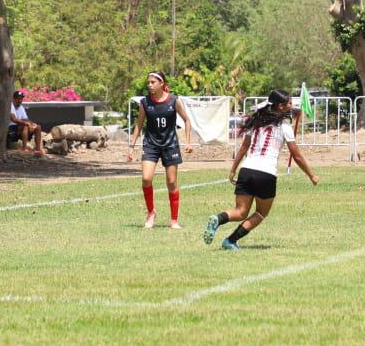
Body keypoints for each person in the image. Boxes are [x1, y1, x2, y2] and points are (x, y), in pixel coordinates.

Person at [203, 89, 320, 250]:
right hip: (266, 173)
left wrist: (233, 169)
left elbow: (244, 147)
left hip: (247, 170)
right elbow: (297, 156)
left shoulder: (255, 122)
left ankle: (218, 218)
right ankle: (230, 241)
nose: (292, 106)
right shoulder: (284, 127)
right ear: (280, 107)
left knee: (240, 211)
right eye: (290, 103)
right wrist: (311, 175)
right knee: (260, 213)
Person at [127, 71, 194, 229]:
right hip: (151, 144)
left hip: (170, 144)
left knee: (171, 182)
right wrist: (131, 147)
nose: (149, 85)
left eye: (153, 82)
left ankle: (174, 220)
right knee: (146, 178)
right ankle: (151, 212)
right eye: (148, 82)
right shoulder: (145, 102)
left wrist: (188, 142)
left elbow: (187, 120)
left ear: (162, 84)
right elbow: (139, 124)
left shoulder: (173, 101)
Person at [8, 90, 45, 156]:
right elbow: (14, 119)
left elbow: (26, 119)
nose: (20, 100)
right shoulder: (10, 106)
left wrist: (32, 123)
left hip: (20, 126)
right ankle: (24, 149)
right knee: (25, 126)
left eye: (21, 99)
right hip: (12, 128)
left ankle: (38, 149)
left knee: (38, 127)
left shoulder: (21, 107)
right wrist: (26, 123)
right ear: (13, 99)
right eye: (18, 99)